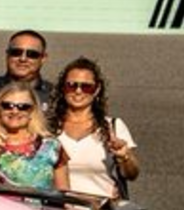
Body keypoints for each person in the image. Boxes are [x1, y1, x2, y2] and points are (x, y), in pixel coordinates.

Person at [49, 57, 140, 202]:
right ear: (62, 88)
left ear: (97, 90)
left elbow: (132, 174)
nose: (78, 91)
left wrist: (124, 157)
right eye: (71, 85)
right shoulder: (46, 127)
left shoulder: (113, 126)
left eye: (86, 87)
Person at [0, 84, 67, 195]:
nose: (15, 111)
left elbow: (64, 193)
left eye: (23, 107)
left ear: (33, 111)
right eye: (7, 106)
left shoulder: (52, 146)